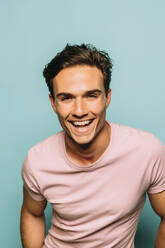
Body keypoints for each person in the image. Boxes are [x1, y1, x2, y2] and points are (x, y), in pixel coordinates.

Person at [20, 44, 165, 248]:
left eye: (91, 95)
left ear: (107, 97)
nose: (79, 111)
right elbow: (32, 213)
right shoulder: (37, 160)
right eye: (67, 98)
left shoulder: (147, 151)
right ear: (53, 103)